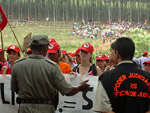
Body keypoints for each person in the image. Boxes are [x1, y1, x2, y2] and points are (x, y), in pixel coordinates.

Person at [11, 35, 90, 113]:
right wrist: (80, 88)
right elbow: (67, 91)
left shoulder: (17, 65)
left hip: (24, 108)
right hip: (45, 109)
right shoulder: (52, 67)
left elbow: (15, 89)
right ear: (45, 48)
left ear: (31, 48)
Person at [93, 37, 150, 113]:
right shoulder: (147, 77)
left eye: (111, 51)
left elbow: (104, 109)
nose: (110, 54)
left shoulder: (106, 78)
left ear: (117, 54)